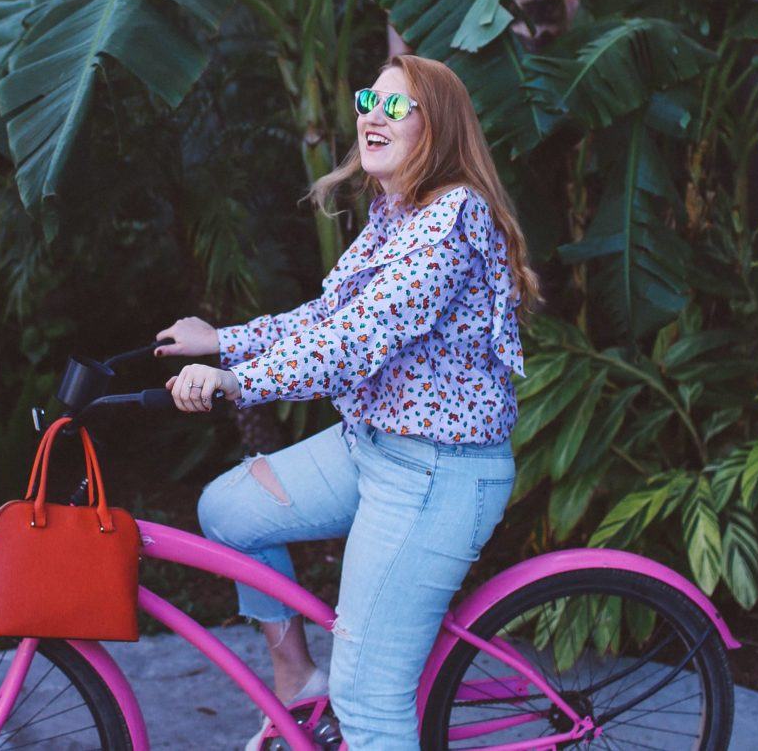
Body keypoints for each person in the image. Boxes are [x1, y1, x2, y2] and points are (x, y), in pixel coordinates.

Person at [154, 54, 542, 751]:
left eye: (396, 106)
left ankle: (348, 707)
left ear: (440, 127)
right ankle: (298, 680)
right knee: (229, 511)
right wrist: (223, 340)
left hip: (434, 476)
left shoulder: (452, 218)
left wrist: (237, 380)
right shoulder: (397, 211)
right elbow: (330, 317)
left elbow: (358, 340)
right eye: (370, 99)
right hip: (370, 447)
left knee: (367, 704)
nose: (371, 114)